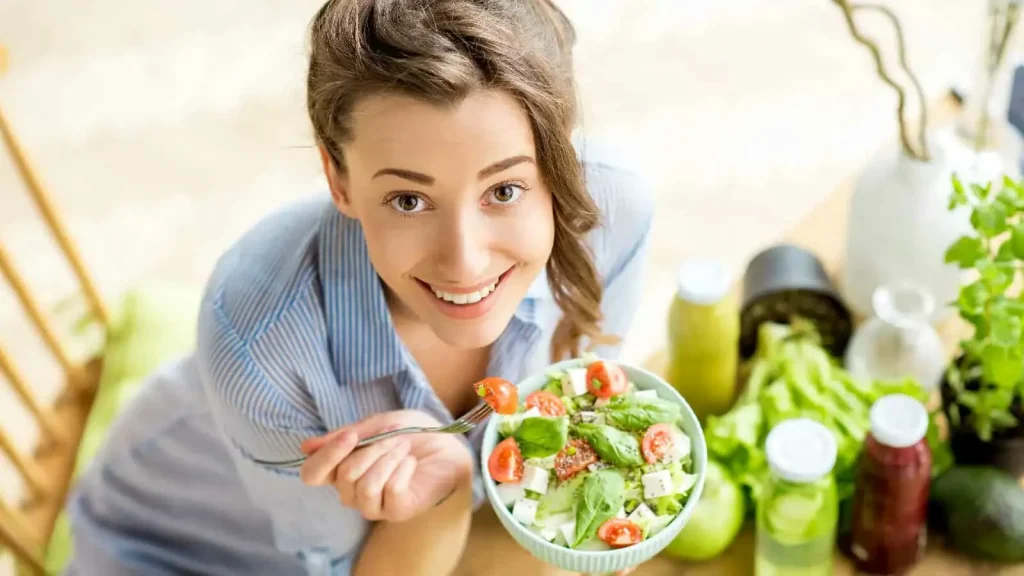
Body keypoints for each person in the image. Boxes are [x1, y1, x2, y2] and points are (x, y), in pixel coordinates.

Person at [63, 0, 653, 574]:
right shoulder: (258, 342)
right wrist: (444, 492)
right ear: (338, 179)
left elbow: (583, 405)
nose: (465, 262)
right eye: (408, 200)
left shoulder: (613, 212)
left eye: (504, 190)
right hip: (176, 551)